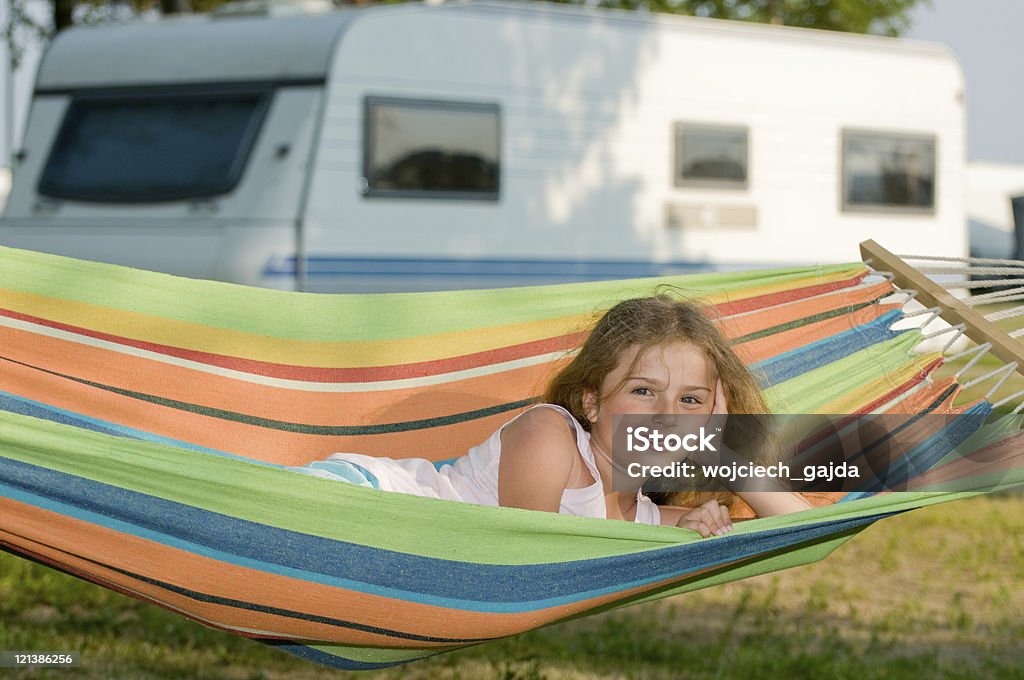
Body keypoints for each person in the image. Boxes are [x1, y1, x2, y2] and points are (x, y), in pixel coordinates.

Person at [289, 294, 812, 537]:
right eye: (643, 391)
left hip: (387, 547)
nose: (667, 416)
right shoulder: (551, 435)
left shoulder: (643, 518)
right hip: (356, 500)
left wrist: (722, 455)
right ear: (591, 402)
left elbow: (801, 528)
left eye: (691, 401)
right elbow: (527, 556)